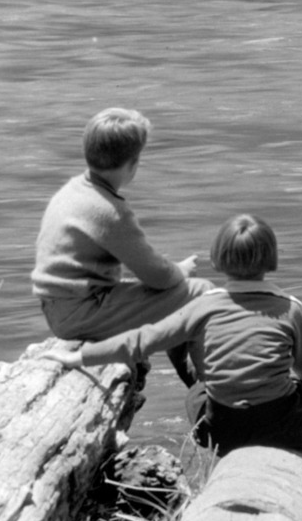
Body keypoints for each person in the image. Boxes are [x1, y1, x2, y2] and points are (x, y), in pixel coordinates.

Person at [45, 211, 302, 462]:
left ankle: (214, 390)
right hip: (281, 427)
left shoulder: (202, 306)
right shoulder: (290, 309)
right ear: (272, 260)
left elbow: (141, 340)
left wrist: (79, 356)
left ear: (217, 260)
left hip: (221, 431)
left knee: (197, 394)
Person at [33, 106, 211, 388]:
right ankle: (213, 390)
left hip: (61, 307)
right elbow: (157, 275)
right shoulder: (108, 211)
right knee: (202, 293)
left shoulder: (73, 190)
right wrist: (180, 270)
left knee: (175, 294)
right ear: (133, 164)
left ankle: (191, 375)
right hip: (81, 312)